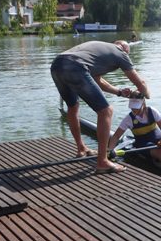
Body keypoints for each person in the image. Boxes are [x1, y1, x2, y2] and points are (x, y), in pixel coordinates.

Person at [51, 40, 150, 174]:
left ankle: (81, 149)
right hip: (75, 66)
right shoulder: (120, 52)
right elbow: (141, 83)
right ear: (125, 50)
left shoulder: (99, 50)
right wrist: (146, 94)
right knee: (106, 111)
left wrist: (120, 92)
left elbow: (98, 81)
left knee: (73, 107)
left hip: (57, 64)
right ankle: (102, 162)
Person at [108, 98, 161, 173]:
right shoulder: (128, 119)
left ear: (143, 103)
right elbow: (116, 136)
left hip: (160, 140)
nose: (134, 110)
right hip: (143, 144)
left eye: (137, 107)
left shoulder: (152, 111)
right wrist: (111, 150)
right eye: (132, 107)